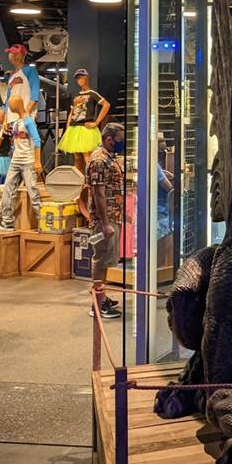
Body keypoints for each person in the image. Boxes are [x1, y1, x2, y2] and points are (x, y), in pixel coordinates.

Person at [86, 122, 124, 320]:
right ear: (109, 139)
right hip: (104, 220)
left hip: (112, 216)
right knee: (101, 260)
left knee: (107, 260)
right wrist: (106, 223)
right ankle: (96, 306)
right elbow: (98, 193)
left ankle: (101, 298)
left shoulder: (109, 157)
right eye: (120, 139)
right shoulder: (99, 160)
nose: (122, 143)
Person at [0, 95, 43, 231]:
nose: (10, 107)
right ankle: (7, 222)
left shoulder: (28, 121)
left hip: (28, 161)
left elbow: (37, 140)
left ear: (17, 104)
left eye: (11, 104)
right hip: (16, 160)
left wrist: (37, 161)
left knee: (33, 192)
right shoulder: (17, 122)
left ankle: (43, 223)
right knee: (8, 189)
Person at [58, 68, 110, 171]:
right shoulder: (77, 95)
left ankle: (90, 178)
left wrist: (96, 122)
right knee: (77, 157)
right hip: (74, 128)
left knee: (87, 156)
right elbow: (72, 110)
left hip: (85, 127)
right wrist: (68, 126)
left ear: (87, 77)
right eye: (78, 78)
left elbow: (106, 105)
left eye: (82, 77)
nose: (80, 80)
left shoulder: (92, 93)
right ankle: (79, 179)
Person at [3, 44, 40, 121]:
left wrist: (28, 111)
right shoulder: (11, 75)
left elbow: (35, 92)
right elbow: (8, 97)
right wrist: (5, 116)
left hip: (24, 115)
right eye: (10, 53)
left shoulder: (30, 71)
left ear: (22, 55)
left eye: (15, 53)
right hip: (11, 117)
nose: (11, 55)